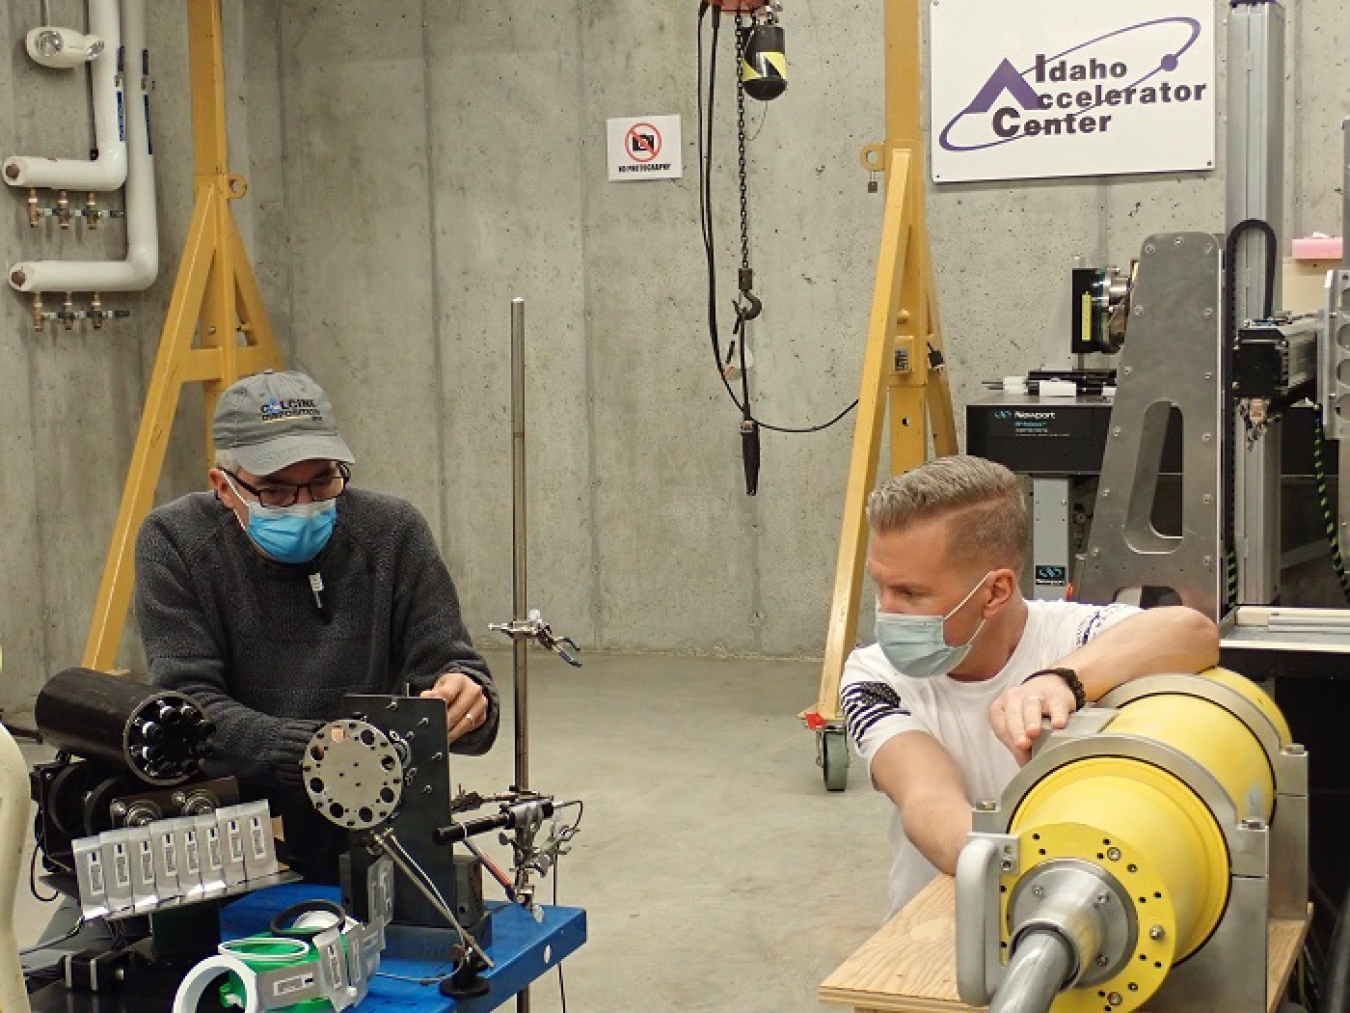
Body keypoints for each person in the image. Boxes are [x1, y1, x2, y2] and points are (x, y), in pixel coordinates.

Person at [134, 369, 499, 879]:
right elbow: (193, 710)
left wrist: (467, 698)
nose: (305, 507)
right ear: (223, 486)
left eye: (323, 480)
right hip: (237, 828)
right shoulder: (176, 543)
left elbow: (451, 664)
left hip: (372, 817)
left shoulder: (392, 534)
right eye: (277, 492)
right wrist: (324, 752)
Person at [840, 455, 1219, 919]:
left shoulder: (1075, 637)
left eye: (911, 593)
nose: (887, 611)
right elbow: (929, 802)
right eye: (881, 587)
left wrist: (1061, 682)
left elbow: (1193, 633)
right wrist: (1040, 873)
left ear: (996, 591)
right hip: (937, 928)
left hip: (1087, 915)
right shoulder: (874, 677)